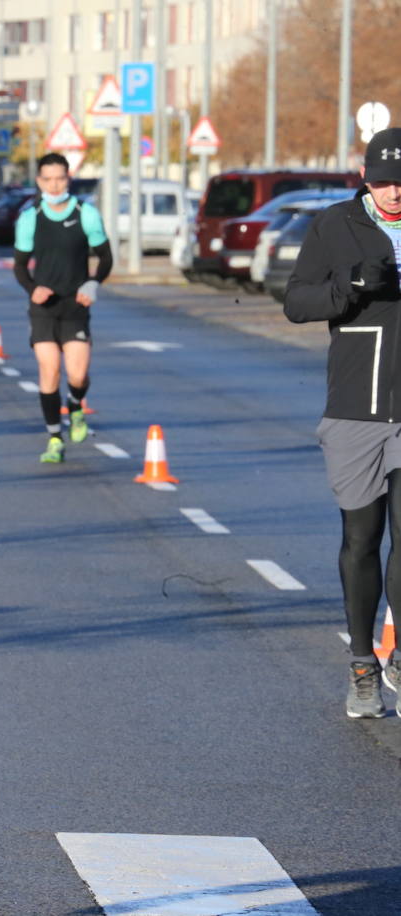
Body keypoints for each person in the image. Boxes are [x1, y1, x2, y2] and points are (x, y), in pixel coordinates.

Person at [284, 127, 401, 719]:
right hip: (356, 406)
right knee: (362, 541)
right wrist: (351, 286)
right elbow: (297, 301)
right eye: (383, 180)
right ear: (365, 176)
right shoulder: (336, 225)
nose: (394, 192)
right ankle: (363, 664)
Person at [11, 152, 113, 464]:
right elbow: (19, 266)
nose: (54, 185)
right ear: (39, 182)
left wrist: (92, 283)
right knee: (49, 369)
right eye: (48, 179)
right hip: (43, 307)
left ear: (68, 179)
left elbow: (105, 257)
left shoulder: (86, 213)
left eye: (60, 178)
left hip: (75, 304)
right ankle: (55, 437)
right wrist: (33, 289)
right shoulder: (31, 216)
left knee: (78, 374)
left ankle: (77, 406)